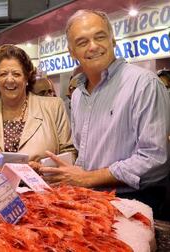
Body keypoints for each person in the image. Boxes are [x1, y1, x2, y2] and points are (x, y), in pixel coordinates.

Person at [40, 9, 170, 216]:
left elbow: (155, 159)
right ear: (71, 51)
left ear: (113, 40)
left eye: (100, 37)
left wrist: (87, 178)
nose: (93, 46)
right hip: (92, 200)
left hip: (135, 202)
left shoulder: (144, 84)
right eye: (82, 42)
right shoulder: (78, 95)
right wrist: (51, 169)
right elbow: (85, 155)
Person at [0, 44, 75, 162]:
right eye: (3, 74)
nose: (9, 80)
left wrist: (42, 168)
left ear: (27, 78)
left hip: (43, 179)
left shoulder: (53, 107)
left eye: (16, 74)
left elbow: (69, 154)